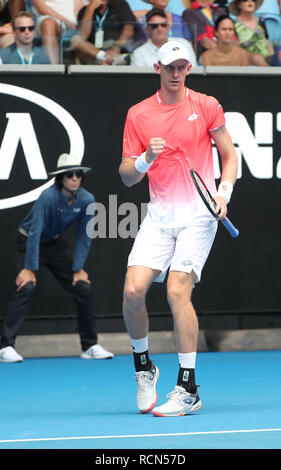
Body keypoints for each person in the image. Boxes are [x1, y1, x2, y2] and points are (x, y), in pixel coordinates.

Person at [119, 40, 238, 417]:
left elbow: (229, 155)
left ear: (189, 69)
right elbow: (126, 178)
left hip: (199, 216)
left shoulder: (206, 106)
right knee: (133, 291)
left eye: (182, 67)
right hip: (159, 215)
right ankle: (144, 367)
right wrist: (144, 159)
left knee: (176, 290)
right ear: (157, 68)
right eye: (169, 67)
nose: (175, 73)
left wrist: (224, 192)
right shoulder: (137, 114)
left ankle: (188, 388)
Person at [0, 153, 114, 363]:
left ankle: (89, 346)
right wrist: (30, 269)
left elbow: (83, 236)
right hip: (27, 243)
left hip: (53, 246)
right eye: (69, 174)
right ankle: (5, 346)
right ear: (60, 178)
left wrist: (79, 267)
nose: (74, 178)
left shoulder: (87, 200)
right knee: (25, 286)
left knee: (83, 287)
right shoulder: (48, 196)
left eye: (78, 174)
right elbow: (35, 232)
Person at [71, 0, 136, 65]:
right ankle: (107, 58)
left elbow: (129, 30)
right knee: (75, 40)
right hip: (94, 52)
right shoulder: (84, 10)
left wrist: (117, 47)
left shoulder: (120, 5)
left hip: (115, 47)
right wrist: (90, 8)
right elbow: (83, 35)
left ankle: (109, 59)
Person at [131, 8, 197, 67]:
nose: (160, 28)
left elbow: (193, 72)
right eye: (154, 26)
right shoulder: (139, 54)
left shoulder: (183, 44)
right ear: (147, 29)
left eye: (163, 25)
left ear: (168, 27)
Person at [228, 0, 275, 65]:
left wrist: (272, 59)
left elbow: (268, 41)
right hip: (248, 63)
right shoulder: (234, 24)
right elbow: (235, 49)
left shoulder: (261, 20)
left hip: (267, 61)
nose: (250, 1)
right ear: (238, 5)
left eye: (253, 0)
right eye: (246, 0)